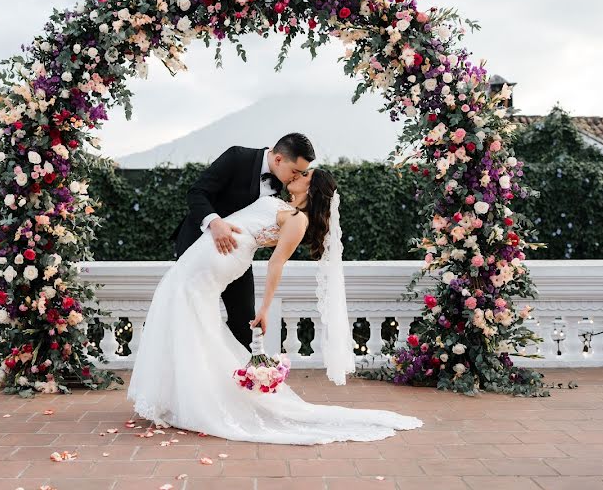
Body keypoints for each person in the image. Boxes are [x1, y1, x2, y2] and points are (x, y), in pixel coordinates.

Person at [130, 168, 423, 444]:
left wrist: (265, 308)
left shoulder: (298, 219)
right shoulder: (283, 205)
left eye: (305, 174)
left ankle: (196, 400)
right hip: (214, 252)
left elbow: (276, 262)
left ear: (313, 188)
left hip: (223, 259)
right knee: (188, 316)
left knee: (188, 312)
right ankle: (184, 395)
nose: (297, 175)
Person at [171, 133, 316, 351]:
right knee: (193, 317)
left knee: (245, 322)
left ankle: (244, 380)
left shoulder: (282, 188)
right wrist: (215, 222)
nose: (295, 177)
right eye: (295, 171)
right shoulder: (237, 157)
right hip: (199, 245)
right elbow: (196, 192)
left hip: (237, 257)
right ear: (278, 159)